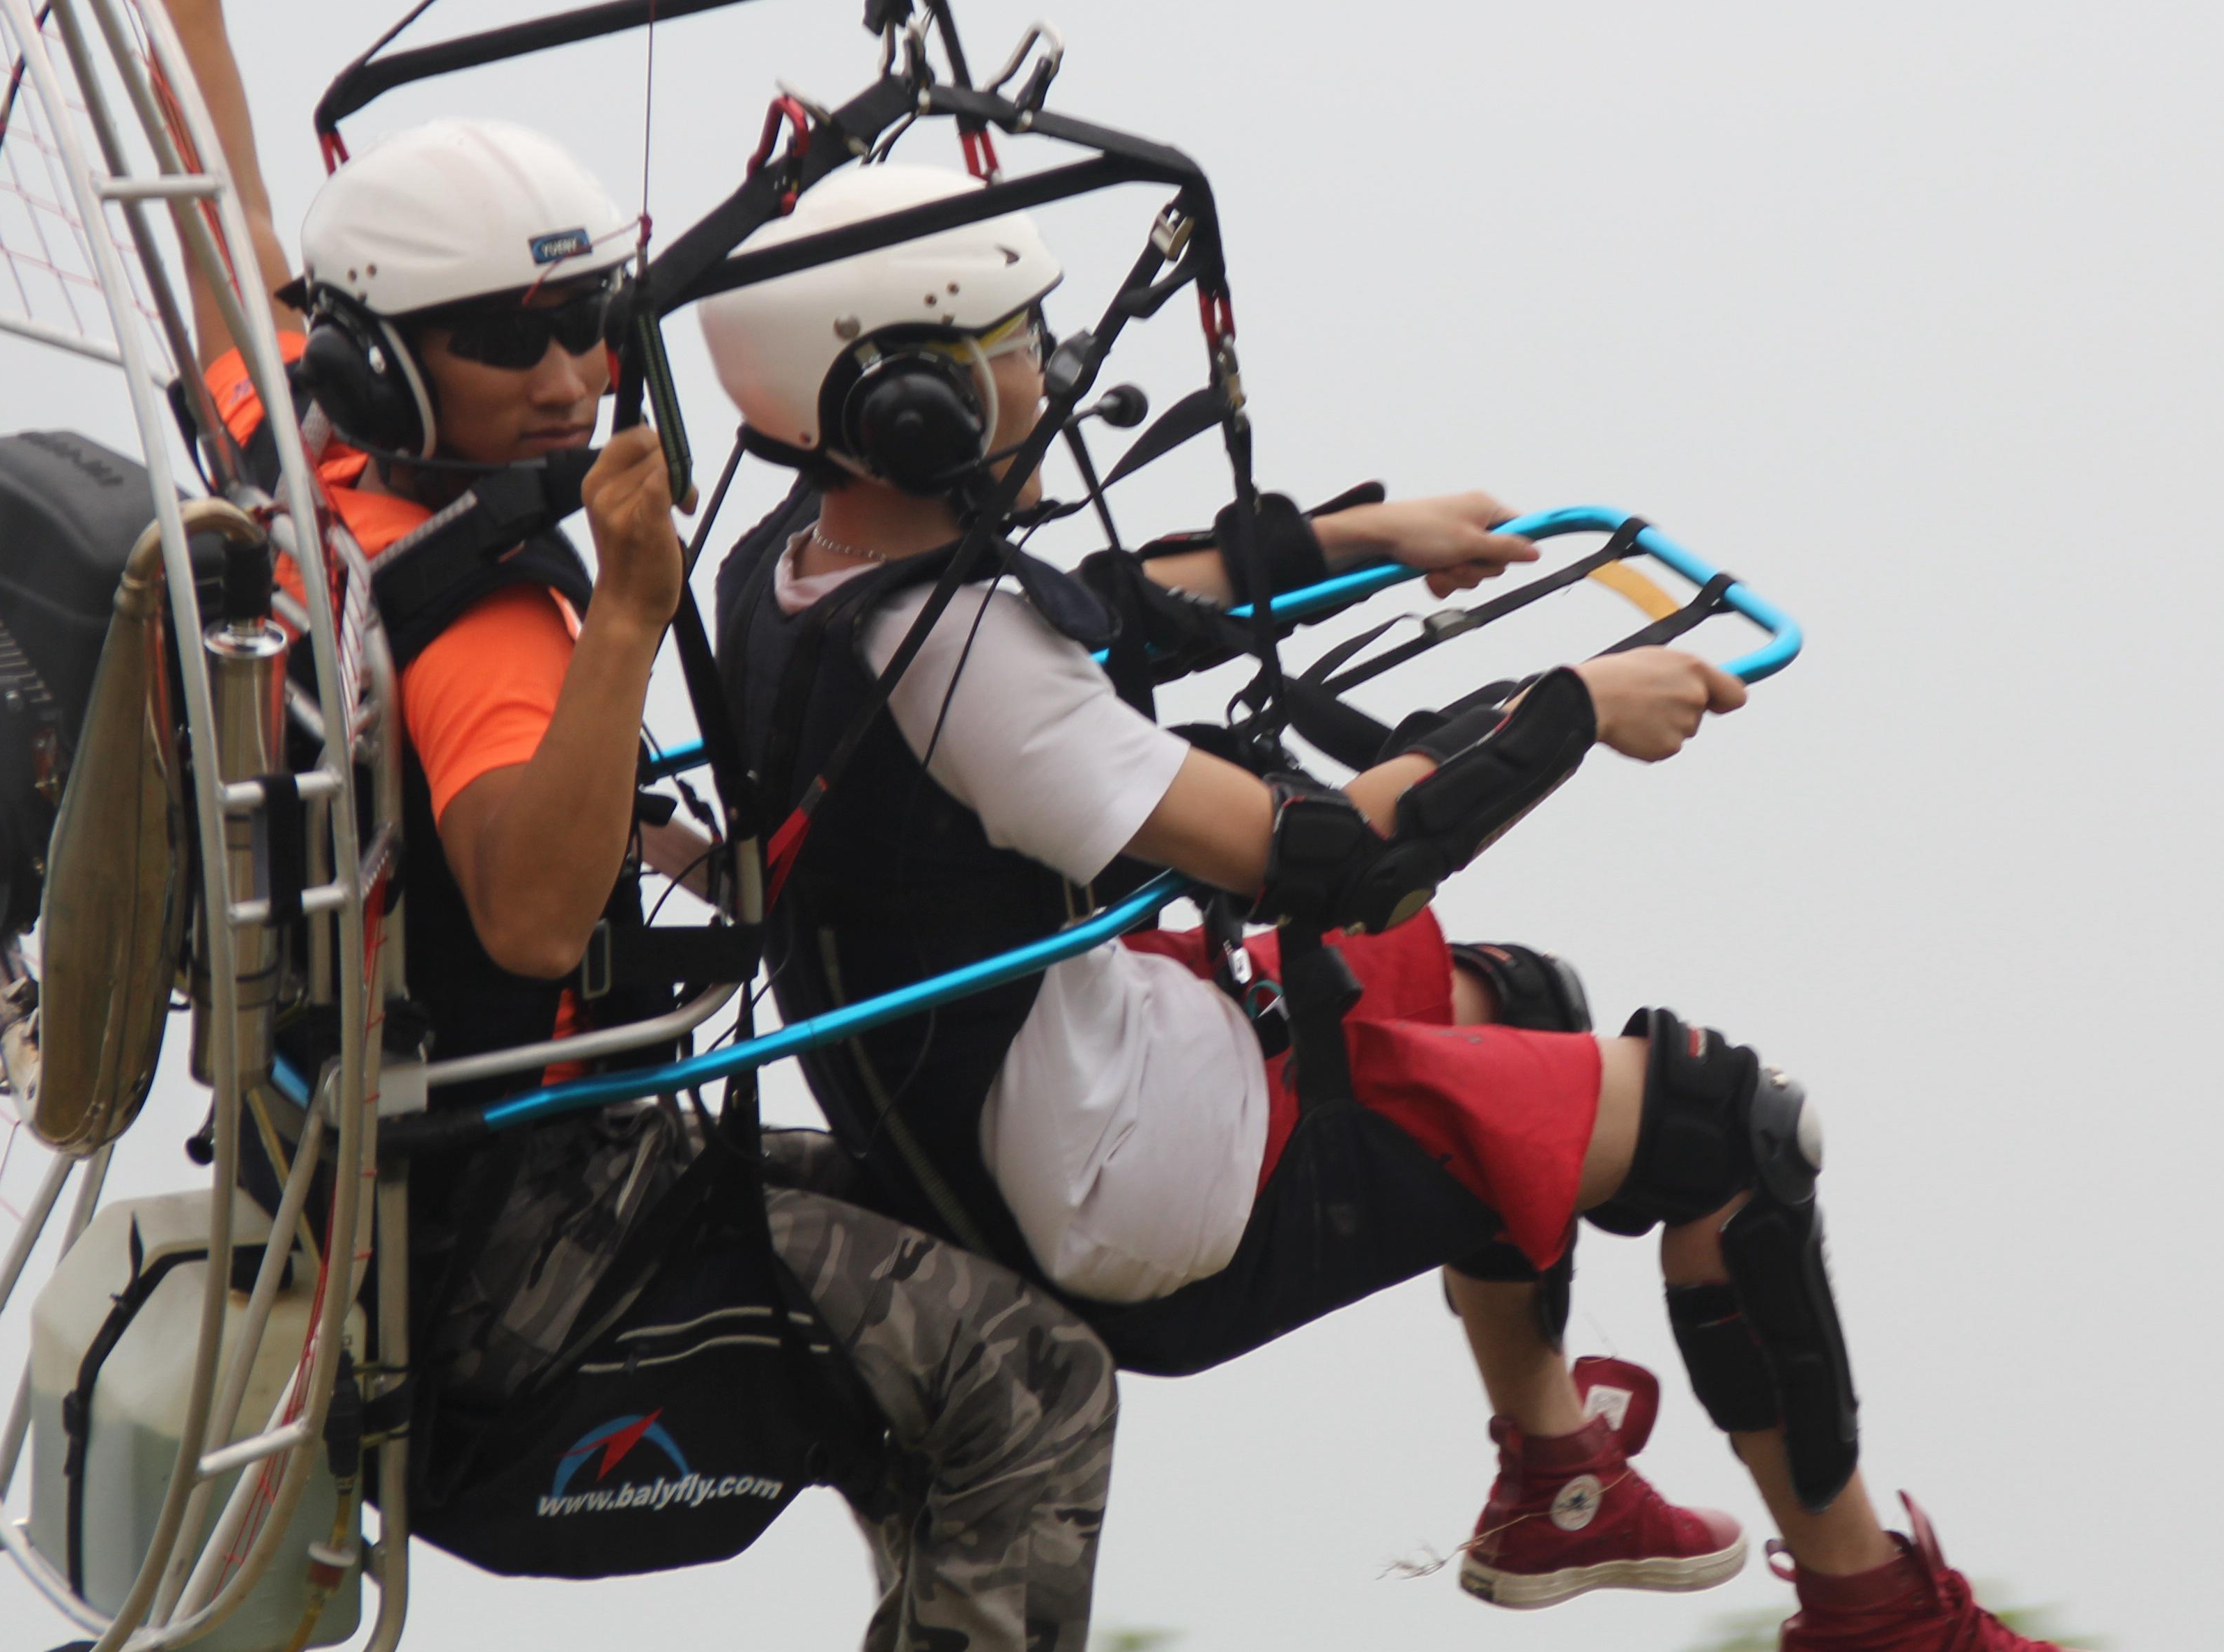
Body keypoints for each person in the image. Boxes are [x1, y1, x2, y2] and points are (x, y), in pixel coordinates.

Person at [700, 160, 2065, 1651]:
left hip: (1023, 1115)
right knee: (1733, 1127)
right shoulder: (977, 673)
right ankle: (1882, 1617)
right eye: (1020, 349)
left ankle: (1556, 1481)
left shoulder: (795, 572)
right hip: (1145, 1197)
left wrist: (1364, 537)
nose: (1056, 374)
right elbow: (1325, 858)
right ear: (909, 407)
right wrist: (1572, 707)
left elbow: (1103, 600)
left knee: (1521, 999)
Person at [117, 0, 1118, 1652]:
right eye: (513, 341)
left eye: (590, 323)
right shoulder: (490, 609)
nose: (572, 377)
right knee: (1036, 1384)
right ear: (389, 350)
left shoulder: (306, 462)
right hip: (524, 1255)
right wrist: (631, 617)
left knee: (965, 1270)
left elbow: (215, 227)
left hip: (362, 1199)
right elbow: (528, 910)